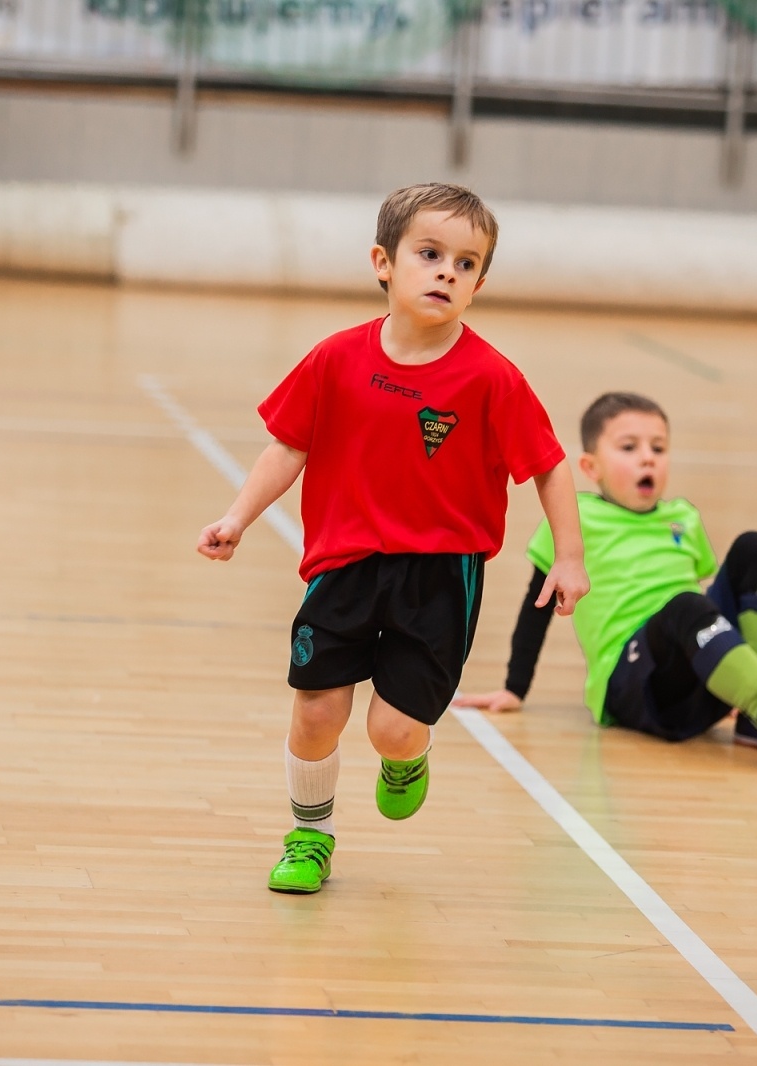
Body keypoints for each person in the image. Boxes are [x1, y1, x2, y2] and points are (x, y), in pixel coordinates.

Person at [197, 183, 589, 895]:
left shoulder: (493, 378)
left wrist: (569, 558)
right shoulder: (334, 359)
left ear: (478, 284)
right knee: (317, 711)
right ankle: (309, 836)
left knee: (393, 731)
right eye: (430, 254)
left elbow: (549, 465)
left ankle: (407, 757)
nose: (447, 273)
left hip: (439, 577)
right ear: (384, 262)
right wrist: (236, 518)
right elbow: (288, 446)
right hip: (344, 566)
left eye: (466, 264)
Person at [454, 392, 757, 765]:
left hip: (689, 667)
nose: (648, 459)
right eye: (629, 448)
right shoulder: (577, 518)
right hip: (633, 687)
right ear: (591, 467)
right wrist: (515, 687)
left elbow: (708, 607)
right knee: (686, 606)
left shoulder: (683, 516)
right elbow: (536, 604)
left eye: (658, 448)